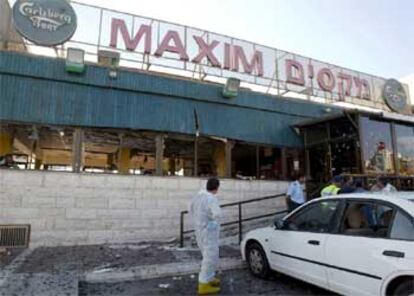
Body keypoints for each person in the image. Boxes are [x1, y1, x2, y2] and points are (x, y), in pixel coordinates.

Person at [190, 177, 222, 295]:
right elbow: (217, 214)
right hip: (209, 233)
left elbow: (191, 209)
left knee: (207, 255)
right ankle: (204, 284)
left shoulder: (198, 196)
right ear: (217, 187)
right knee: (210, 258)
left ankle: (210, 278)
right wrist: (212, 224)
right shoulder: (211, 198)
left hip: (199, 230)